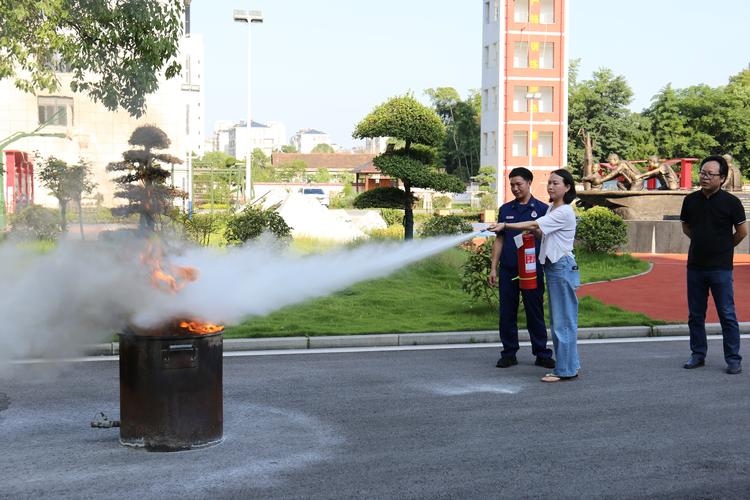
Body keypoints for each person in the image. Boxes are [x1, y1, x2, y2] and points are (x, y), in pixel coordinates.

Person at [489, 169, 580, 383]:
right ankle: (569, 366)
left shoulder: (564, 211)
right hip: (553, 268)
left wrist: (507, 225)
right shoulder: (550, 209)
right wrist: (533, 234)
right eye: (549, 182)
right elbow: (541, 231)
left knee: (562, 322)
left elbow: (534, 224)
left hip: (561, 267)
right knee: (561, 320)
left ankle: (564, 369)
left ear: (567, 187)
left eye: (556, 183)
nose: (550, 186)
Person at [680, 155, 747, 374]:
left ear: (723, 178)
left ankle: (733, 358)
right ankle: (698, 354)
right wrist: (702, 242)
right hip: (696, 267)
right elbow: (686, 228)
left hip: (721, 268)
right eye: (702, 173)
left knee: (727, 314)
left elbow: (742, 232)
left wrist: (725, 247)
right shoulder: (690, 201)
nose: (705, 177)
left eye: (710, 174)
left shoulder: (731, 203)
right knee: (695, 315)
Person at [487, 167, 554, 369]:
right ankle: (509, 353)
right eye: (512, 185)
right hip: (508, 270)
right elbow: (499, 239)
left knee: (535, 312)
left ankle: (542, 353)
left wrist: (536, 232)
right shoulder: (506, 210)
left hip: (532, 270)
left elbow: (544, 235)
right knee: (507, 312)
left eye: (519, 184)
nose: (515, 188)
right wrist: (493, 268)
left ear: (529, 183)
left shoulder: (542, 209)